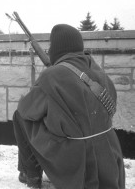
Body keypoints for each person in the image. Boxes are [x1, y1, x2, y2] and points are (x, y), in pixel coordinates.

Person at [13, 24, 125, 188]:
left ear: (57, 49)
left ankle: (31, 175)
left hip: (77, 161)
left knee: (19, 116)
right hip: (109, 155)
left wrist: (41, 85)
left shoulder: (52, 76)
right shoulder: (99, 72)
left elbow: (25, 109)